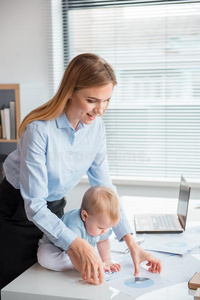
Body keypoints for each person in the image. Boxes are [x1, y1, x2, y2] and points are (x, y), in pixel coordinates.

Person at [0, 53, 161, 290]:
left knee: (52, 287)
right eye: (92, 100)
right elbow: (33, 205)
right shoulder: (39, 130)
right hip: (18, 214)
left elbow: (105, 189)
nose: (100, 109)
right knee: (17, 288)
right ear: (69, 91)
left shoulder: (95, 128)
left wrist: (130, 243)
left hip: (54, 211)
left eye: (106, 100)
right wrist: (77, 243)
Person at [37, 186, 121, 274]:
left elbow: (103, 241)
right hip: (54, 246)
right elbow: (73, 251)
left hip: (76, 252)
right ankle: (82, 264)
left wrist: (107, 261)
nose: (105, 231)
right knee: (44, 257)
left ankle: (86, 262)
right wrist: (86, 269)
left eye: (108, 227)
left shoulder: (101, 225)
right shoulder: (74, 225)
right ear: (85, 216)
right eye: (101, 228)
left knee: (93, 253)